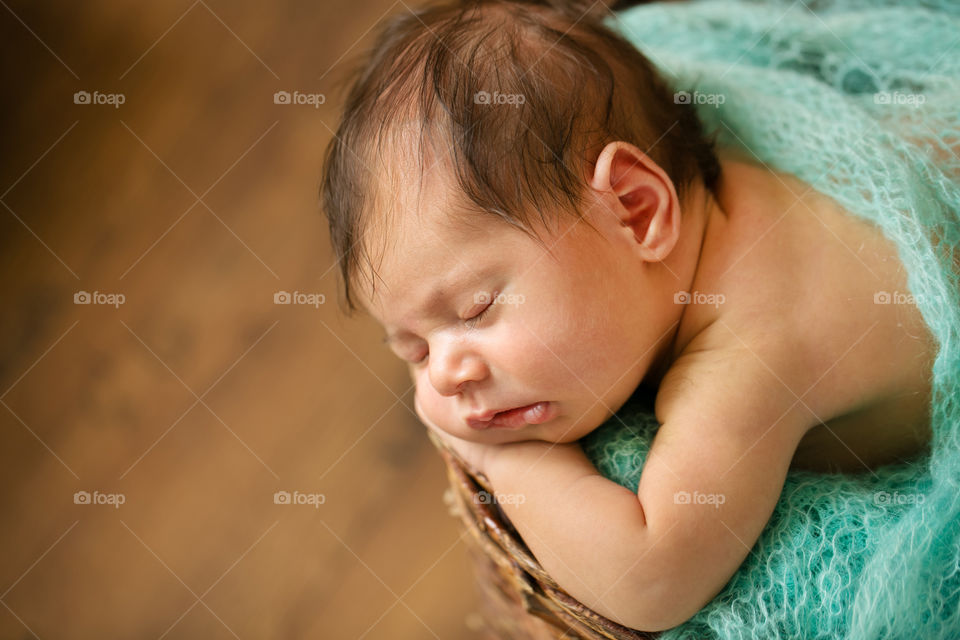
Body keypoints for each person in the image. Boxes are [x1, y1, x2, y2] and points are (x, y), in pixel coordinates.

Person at [319, 0, 936, 630]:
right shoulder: (710, 225)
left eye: (476, 309)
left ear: (636, 212)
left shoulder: (751, 355)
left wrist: (505, 461)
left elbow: (649, 579)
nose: (444, 375)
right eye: (414, 351)